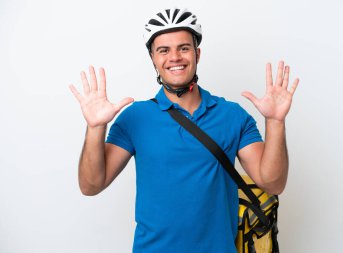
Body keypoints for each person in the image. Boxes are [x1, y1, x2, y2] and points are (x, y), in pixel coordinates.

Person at [69, 7, 299, 253]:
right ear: (153, 59)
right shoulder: (135, 118)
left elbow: (273, 183)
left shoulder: (232, 116)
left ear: (197, 53)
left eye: (184, 48)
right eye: (164, 50)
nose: (175, 57)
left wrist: (275, 122)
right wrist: (96, 127)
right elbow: (90, 185)